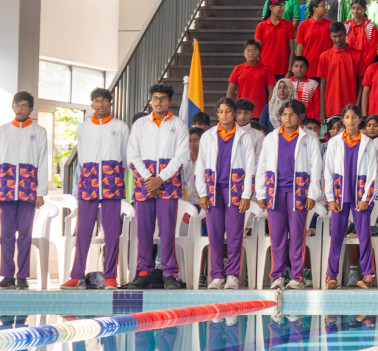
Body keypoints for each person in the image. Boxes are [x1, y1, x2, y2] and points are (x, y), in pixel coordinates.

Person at [61, 88, 129, 288]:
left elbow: (124, 157)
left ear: (110, 104)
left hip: (112, 180)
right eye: (96, 101)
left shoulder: (121, 127)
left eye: (104, 101)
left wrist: (115, 176)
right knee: (83, 231)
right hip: (89, 180)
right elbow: (82, 156)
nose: (100, 104)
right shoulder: (83, 127)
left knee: (111, 231)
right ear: (91, 104)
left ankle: (110, 276)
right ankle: (76, 274)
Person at [124, 84, 188, 289]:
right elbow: (132, 155)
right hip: (144, 184)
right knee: (143, 231)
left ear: (170, 101)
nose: (158, 102)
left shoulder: (178, 125)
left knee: (168, 231)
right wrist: (148, 179)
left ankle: (169, 273)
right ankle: (143, 271)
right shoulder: (140, 124)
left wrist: (161, 178)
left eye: (162, 98)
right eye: (155, 98)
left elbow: (181, 156)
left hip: (168, 183)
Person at [253, 99, 321, 289]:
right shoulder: (271, 138)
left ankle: (296, 276)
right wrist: (261, 193)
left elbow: (316, 167)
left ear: (300, 117)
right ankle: (277, 276)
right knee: (277, 236)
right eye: (284, 114)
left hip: (299, 191)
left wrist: (312, 193)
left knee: (297, 236)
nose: (287, 118)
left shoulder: (309, 137)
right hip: (275, 191)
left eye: (291, 114)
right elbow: (262, 167)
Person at [191, 98, 257, 289]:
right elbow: (201, 165)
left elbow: (250, 166)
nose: (224, 115)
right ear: (217, 114)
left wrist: (246, 194)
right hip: (213, 189)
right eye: (221, 111)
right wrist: (202, 193)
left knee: (235, 234)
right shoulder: (208, 136)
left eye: (228, 111)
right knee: (215, 233)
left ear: (234, 113)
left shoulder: (244, 136)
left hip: (235, 189)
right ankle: (217, 275)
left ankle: (233, 276)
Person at [321, 103, 378, 289]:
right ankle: (331, 276)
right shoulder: (334, 142)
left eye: (355, 117)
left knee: (364, 235)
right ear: (343, 120)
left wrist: (366, 198)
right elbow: (327, 171)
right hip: (339, 193)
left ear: (360, 119)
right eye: (347, 117)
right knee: (336, 235)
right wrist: (330, 198)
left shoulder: (367, 143)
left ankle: (368, 275)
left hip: (360, 194)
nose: (351, 121)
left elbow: (372, 172)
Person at [0, 91, 49, 288]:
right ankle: (7, 274)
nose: (19, 109)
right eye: (16, 105)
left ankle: (22, 275)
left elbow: (44, 161)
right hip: (5, 188)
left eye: (23, 106)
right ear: (12, 107)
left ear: (31, 109)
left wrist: (41, 192)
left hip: (29, 190)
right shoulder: (2, 131)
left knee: (25, 234)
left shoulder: (39, 132)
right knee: (6, 233)